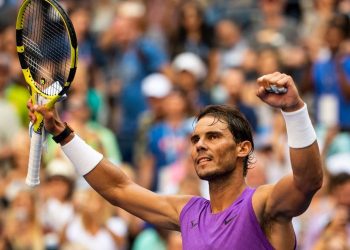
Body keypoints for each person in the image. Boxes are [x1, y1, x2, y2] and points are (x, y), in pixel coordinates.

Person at [27, 72, 323, 249]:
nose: (201, 145)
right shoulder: (188, 211)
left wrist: (294, 110)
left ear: (243, 148)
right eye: (195, 139)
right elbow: (118, 189)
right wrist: (61, 132)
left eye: (214, 136)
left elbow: (307, 181)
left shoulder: (263, 204)